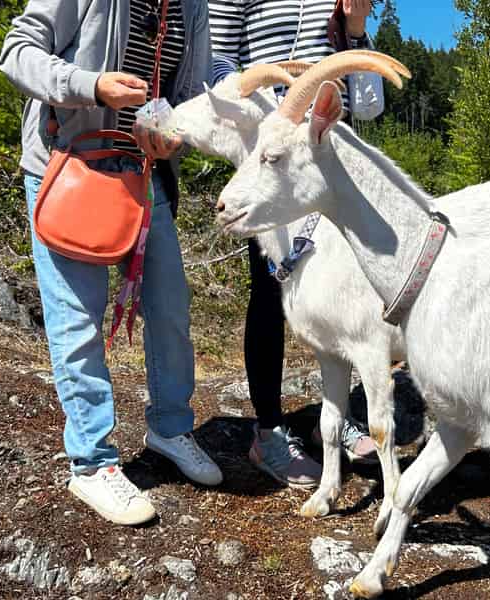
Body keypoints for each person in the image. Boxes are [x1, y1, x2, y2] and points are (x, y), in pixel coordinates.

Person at [0, 0, 221, 526]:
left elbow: (189, 97)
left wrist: (175, 137)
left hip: (140, 175)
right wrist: (92, 86)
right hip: (68, 166)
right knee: (77, 318)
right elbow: (16, 53)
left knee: (169, 311)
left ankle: (170, 427)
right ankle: (92, 462)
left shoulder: (192, 6)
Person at [207, 0, 381, 489]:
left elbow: (368, 104)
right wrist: (271, 95)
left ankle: (338, 418)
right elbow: (217, 63)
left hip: (327, 169)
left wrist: (356, 25)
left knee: (341, 290)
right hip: (273, 161)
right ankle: (268, 432)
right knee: (269, 292)